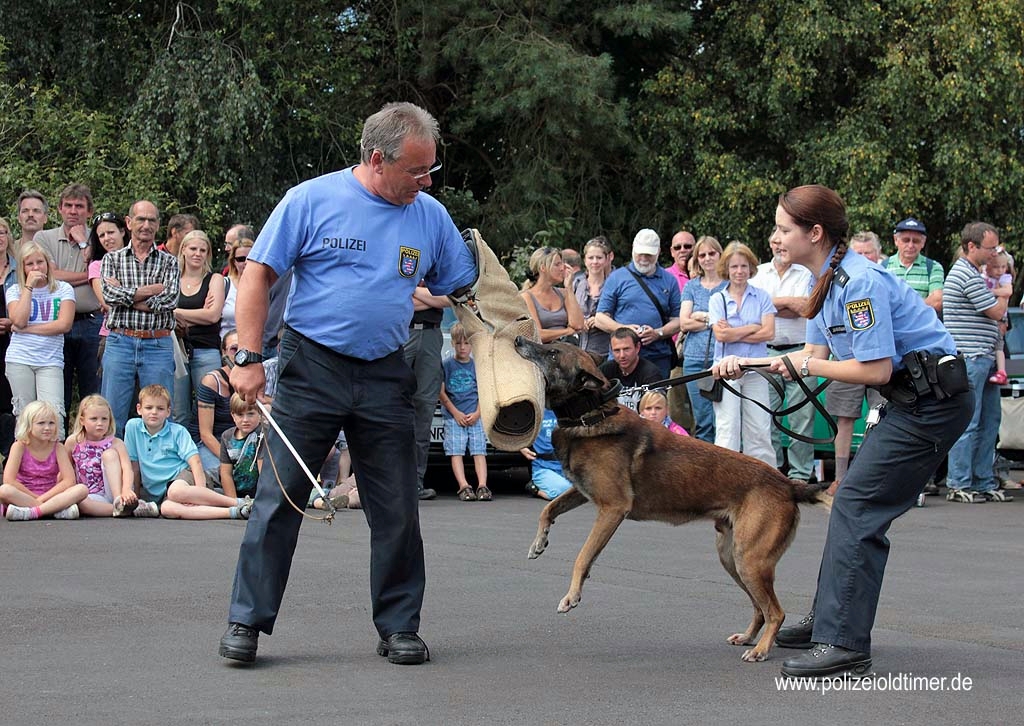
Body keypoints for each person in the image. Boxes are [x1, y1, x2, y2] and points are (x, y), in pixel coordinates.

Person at [219, 101, 477, 666]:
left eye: (431, 169)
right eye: (416, 170)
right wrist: (248, 355)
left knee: (398, 505)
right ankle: (247, 622)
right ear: (377, 159)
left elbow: (467, 286)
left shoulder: (429, 215)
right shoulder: (311, 200)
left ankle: (400, 626)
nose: (426, 181)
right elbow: (258, 275)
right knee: (280, 495)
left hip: (387, 370)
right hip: (313, 368)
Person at [716, 184, 972, 678]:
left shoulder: (861, 282)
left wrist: (805, 370)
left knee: (857, 507)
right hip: (912, 399)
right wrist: (749, 362)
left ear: (815, 233)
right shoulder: (823, 282)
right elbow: (813, 357)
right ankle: (829, 624)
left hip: (933, 404)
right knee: (851, 501)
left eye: (783, 229)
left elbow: (872, 370)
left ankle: (846, 645)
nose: (775, 237)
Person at [942, 222, 1011, 504]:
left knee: (990, 421)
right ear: (972, 246)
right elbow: (995, 311)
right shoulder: (965, 274)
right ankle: (959, 482)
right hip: (970, 357)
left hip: (985, 356)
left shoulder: (976, 275)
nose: (994, 253)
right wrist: (1004, 292)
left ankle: (983, 480)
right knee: (969, 421)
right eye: (990, 248)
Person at [100, 200, 180, 438]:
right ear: (129, 222)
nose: (146, 225)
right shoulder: (112, 259)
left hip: (157, 344)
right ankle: (112, 472)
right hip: (120, 342)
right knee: (112, 415)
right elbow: (109, 295)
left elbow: (170, 300)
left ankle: (157, 472)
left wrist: (126, 293)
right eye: (141, 219)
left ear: (157, 225)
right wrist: (149, 291)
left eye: (151, 220)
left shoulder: (170, 262)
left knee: (159, 414)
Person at [124, 384, 250, 520]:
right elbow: (134, 466)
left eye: (160, 408)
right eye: (149, 408)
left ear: (168, 412)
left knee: (175, 491)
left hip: (185, 477)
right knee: (167, 509)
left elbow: (195, 461)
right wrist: (135, 497)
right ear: (139, 409)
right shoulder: (133, 427)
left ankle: (239, 502)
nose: (154, 412)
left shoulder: (178, 431)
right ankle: (236, 512)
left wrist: (199, 492)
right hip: (163, 495)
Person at [749, 233, 815, 481]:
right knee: (767, 415)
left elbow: (808, 307)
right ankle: (773, 473)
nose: (778, 245)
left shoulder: (807, 272)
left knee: (802, 417)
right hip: (765, 352)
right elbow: (754, 310)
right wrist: (788, 302)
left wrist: (771, 306)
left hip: (801, 351)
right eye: (774, 241)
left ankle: (799, 475)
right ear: (769, 243)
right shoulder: (758, 273)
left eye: (782, 240)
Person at [34, 184, 103, 416]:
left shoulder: (101, 239)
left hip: (93, 323)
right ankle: (58, 446)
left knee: (93, 393)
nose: (74, 211)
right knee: (56, 392)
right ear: (59, 209)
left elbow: (106, 272)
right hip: (56, 324)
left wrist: (85, 243)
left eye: (80, 206)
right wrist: (91, 275)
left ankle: (92, 446)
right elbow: (51, 276)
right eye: (69, 206)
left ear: (89, 211)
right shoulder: (43, 237)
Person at [825, 231, 886, 494]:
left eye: (868, 253)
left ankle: (866, 477)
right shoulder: (836, 281)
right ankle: (840, 478)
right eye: (858, 253)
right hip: (845, 360)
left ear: (878, 255)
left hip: (878, 360)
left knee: (880, 419)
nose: (862, 258)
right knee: (844, 418)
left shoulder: (877, 279)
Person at [708, 241, 776, 466]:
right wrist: (752, 327)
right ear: (726, 268)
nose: (739, 271)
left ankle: (766, 481)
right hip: (726, 371)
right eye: (734, 266)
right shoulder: (717, 299)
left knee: (759, 428)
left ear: (751, 268)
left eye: (744, 266)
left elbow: (768, 332)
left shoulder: (762, 297)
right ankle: (724, 483)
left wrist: (734, 331)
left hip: (757, 369)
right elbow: (721, 336)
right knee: (727, 429)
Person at [5, 242, 76, 436]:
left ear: (47, 264)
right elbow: (18, 319)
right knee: (24, 416)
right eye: (30, 264)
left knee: (54, 414)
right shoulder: (14, 290)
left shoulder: (63, 289)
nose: (36, 268)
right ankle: (25, 464)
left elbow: (63, 325)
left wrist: (26, 329)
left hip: (50, 361)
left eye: (40, 262)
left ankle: (54, 464)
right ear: (22, 267)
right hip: (20, 359)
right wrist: (29, 287)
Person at [595, 229, 680, 377]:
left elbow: (678, 320)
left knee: (656, 399)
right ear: (633, 250)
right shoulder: (616, 278)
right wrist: (624, 330)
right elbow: (600, 318)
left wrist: (658, 333)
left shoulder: (669, 280)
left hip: (658, 357)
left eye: (648, 254)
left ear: (658, 252)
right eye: (640, 253)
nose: (643, 258)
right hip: (622, 358)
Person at [64, 394, 158, 517]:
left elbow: (127, 469)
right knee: (81, 502)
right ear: (82, 420)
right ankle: (126, 509)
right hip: (91, 494)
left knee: (110, 454)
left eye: (104, 419)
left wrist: (126, 490)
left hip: (116, 491)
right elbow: (65, 471)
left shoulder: (116, 443)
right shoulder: (73, 442)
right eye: (93, 419)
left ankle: (120, 501)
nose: (100, 423)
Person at [173, 230, 226, 426]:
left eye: (203, 250)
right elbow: (160, 311)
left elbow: (212, 315)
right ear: (183, 250)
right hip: (176, 349)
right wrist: (199, 314)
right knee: (178, 410)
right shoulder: (171, 278)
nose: (197, 253)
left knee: (208, 407)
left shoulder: (215, 279)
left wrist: (175, 312)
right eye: (193, 248)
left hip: (206, 349)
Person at [678, 236, 727, 442]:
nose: (707, 258)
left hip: (723, 357)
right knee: (703, 419)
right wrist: (711, 319)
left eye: (711, 253)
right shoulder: (691, 286)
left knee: (723, 420)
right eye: (702, 255)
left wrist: (700, 316)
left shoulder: (729, 285)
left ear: (720, 255)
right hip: (694, 359)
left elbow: (730, 322)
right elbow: (684, 323)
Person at [1, 400, 84, 521]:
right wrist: (37, 499)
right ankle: (53, 511)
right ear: (28, 425)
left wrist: (43, 498)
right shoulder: (19, 446)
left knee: (81, 489)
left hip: (52, 495)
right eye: (41, 423)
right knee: (4, 490)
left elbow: (69, 480)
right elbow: (9, 480)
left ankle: (33, 512)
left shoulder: (58, 447)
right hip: (24, 496)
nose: (47, 428)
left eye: (51, 423)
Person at [404, 281, 448, 501]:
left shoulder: (436, 264)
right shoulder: (401, 256)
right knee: (391, 405)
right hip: (402, 333)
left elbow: (448, 298)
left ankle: (416, 482)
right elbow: (395, 299)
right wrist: (431, 298)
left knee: (424, 409)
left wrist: (411, 291)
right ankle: (390, 480)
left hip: (431, 336)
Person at [439, 322, 490, 502]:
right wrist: (455, 413)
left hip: (475, 416)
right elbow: (441, 392)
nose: (463, 347)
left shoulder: (477, 366)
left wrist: (478, 413)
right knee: (456, 451)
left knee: (479, 450)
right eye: (459, 343)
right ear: (452, 343)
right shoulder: (446, 365)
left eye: (467, 343)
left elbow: (485, 392)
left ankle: (482, 485)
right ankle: (463, 485)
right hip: (455, 417)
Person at [193, 330, 242, 474]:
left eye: (243, 350)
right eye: (234, 349)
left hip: (239, 440)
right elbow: (205, 434)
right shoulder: (212, 381)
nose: (239, 354)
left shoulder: (255, 378)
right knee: (226, 473)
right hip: (210, 442)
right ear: (224, 353)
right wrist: (230, 461)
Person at [86, 212, 130, 371]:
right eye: (102, 235)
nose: (107, 238)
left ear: (123, 231)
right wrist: (136, 293)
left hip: (146, 334)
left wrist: (120, 290)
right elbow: (107, 302)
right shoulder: (97, 266)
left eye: (111, 232)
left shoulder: (142, 260)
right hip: (112, 334)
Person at [521, 247, 584, 343]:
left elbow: (578, 325)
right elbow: (537, 334)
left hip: (566, 350)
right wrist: (566, 331)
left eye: (562, 263)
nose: (563, 268)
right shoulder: (527, 297)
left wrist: (570, 288)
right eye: (557, 264)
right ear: (543, 268)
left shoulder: (564, 293)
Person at [884, 217, 944, 315]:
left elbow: (937, 301)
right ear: (896, 240)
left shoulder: (933, 267)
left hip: (922, 328)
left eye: (915, 241)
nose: (911, 245)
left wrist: (902, 311)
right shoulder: (883, 267)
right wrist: (923, 304)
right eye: (906, 240)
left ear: (923, 243)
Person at [572, 236, 614, 356]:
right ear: (585, 260)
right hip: (578, 349)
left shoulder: (613, 284)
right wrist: (579, 321)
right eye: (591, 258)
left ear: (606, 260)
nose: (595, 261)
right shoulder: (576, 283)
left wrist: (600, 320)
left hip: (606, 350)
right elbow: (566, 311)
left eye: (599, 258)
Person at [218, 393, 264, 502]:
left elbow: (264, 473)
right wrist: (234, 502)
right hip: (235, 488)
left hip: (258, 491)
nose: (245, 420)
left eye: (250, 414)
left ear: (260, 413)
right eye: (240, 415)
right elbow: (226, 473)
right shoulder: (226, 436)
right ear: (233, 416)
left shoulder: (263, 434)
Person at [521, 409, 574, 500]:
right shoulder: (535, 412)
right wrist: (521, 447)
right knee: (566, 491)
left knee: (585, 490)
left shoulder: (567, 410)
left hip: (566, 466)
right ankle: (535, 489)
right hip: (543, 467)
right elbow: (514, 431)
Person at [982, 250, 1013, 385]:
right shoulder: (983, 276)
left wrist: (992, 292)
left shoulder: (1005, 279)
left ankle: (1001, 371)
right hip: (987, 320)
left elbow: (1008, 291)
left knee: (999, 345)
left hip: (999, 319)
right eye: (996, 267)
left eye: (1003, 267)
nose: (1000, 271)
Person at [0, 218, 17, 420]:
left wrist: (13, 321)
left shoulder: (20, 268)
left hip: (14, 339)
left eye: (2, 232)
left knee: (10, 394)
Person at [221, 235, 254, 339]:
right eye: (241, 259)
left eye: (250, 258)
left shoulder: (266, 286)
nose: (246, 262)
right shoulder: (223, 285)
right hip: (227, 347)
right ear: (233, 262)